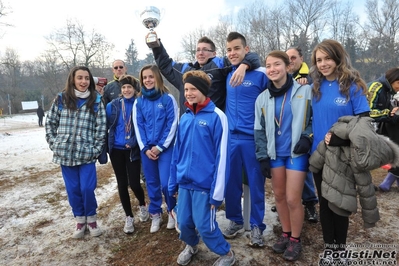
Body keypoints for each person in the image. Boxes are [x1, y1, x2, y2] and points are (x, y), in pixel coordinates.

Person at [308, 39, 370, 257]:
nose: (323, 64)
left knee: (339, 205)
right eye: (319, 60)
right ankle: (329, 249)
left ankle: (340, 250)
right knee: (324, 203)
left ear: (338, 58)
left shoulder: (353, 86)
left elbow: (364, 123)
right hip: (319, 156)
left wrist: (342, 139)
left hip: (342, 156)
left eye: (327, 58)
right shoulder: (314, 87)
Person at [169, 70, 235, 266]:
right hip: (184, 183)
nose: (189, 93)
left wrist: (217, 193)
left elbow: (222, 157)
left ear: (204, 90)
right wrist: (173, 183)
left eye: (194, 89)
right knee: (183, 222)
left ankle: (227, 253)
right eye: (187, 89)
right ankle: (191, 246)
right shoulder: (185, 118)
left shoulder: (217, 117)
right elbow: (176, 153)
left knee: (205, 225)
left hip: (205, 185)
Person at [254, 51, 312, 261]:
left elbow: (313, 119)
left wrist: (307, 137)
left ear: (288, 66)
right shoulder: (262, 98)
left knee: (292, 198)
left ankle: (296, 239)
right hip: (274, 153)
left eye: (276, 64)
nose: (272, 69)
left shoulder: (305, 91)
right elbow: (259, 131)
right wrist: (262, 157)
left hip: (296, 153)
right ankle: (285, 233)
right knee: (278, 196)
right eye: (268, 65)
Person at [45, 66, 107, 238]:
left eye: (86, 78)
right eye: (80, 78)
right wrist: (54, 143)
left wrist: (95, 149)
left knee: (87, 188)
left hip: (86, 154)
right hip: (65, 154)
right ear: (73, 79)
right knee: (73, 189)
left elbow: (101, 128)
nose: (83, 82)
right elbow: (50, 123)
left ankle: (92, 219)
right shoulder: (61, 99)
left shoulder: (96, 100)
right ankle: (80, 220)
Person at [222, 32, 268, 247]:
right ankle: (235, 220)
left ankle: (257, 225)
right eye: (229, 49)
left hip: (253, 140)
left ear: (246, 50)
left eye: (236, 48)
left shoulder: (261, 75)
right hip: (230, 138)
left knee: (257, 184)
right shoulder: (226, 73)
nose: (232, 53)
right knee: (230, 183)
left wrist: (246, 65)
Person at [148, 33, 260, 115]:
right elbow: (165, 65)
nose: (201, 53)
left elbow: (250, 55)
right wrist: (156, 46)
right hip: (188, 126)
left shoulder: (221, 65)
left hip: (212, 127)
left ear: (214, 53)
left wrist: (244, 65)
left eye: (205, 50)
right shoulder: (184, 70)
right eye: (198, 50)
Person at [132, 64, 178, 233]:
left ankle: (172, 211)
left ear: (157, 78)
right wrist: (145, 148)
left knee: (166, 183)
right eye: (144, 78)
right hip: (147, 150)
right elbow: (139, 126)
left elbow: (172, 124)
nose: (148, 80)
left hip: (165, 148)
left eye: (151, 77)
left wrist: (160, 147)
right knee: (151, 183)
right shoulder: (139, 102)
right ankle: (156, 213)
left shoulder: (168, 99)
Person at [106, 74, 149, 234]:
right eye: (123, 87)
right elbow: (108, 126)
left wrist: (134, 141)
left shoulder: (140, 104)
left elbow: (143, 126)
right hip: (116, 150)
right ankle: (129, 216)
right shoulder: (113, 105)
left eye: (129, 87)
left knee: (135, 183)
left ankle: (142, 204)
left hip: (132, 150)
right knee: (122, 184)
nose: (126, 90)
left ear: (135, 89)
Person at [285, 46, 318, 223]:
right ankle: (290, 201)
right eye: (287, 58)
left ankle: (311, 204)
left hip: (304, 131)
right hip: (286, 131)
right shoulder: (284, 76)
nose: (290, 61)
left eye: (293, 57)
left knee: (303, 171)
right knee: (286, 171)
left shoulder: (311, 77)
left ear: (301, 58)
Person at [368, 67, 399, 191]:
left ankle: (389, 181)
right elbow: (367, 111)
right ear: (392, 79)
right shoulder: (376, 87)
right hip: (364, 126)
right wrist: (388, 113)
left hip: (378, 126)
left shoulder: (389, 92)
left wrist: (392, 113)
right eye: (398, 83)